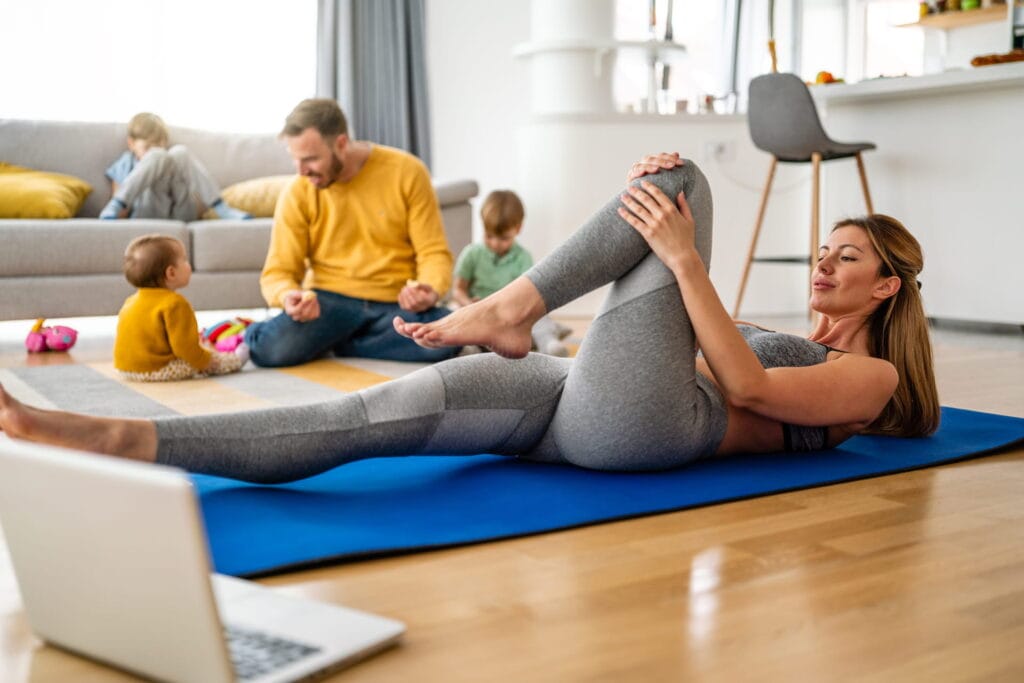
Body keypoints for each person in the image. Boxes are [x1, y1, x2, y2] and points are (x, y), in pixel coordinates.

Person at [0, 155, 940, 482]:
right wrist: (677, 273)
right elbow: (693, 338)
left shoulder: (876, 379)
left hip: (651, 428)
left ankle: (510, 307)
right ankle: (101, 433)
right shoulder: (794, 321)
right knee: (358, 420)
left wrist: (684, 256)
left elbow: (743, 384)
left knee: (678, 184)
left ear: (886, 289)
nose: (823, 261)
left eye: (845, 256)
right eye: (824, 249)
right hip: (575, 401)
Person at [242, 98, 459, 367]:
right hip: (328, 304)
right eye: (296, 159)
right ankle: (348, 339)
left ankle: (338, 342)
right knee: (269, 350)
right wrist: (288, 296)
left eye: (310, 159)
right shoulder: (298, 192)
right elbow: (278, 272)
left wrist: (429, 289)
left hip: (394, 303)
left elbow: (433, 252)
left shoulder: (408, 172)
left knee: (447, 341)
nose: (301, 170)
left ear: (341, 144)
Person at [113, 234, 248, 382]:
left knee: (201, 351)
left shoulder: (130, 301)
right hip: (157, 369)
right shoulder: (175, 304)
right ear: (171, 273)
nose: (188, 264)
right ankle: (236, 360)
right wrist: (207, 362)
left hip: (125, 368)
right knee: (207, 360)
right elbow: (184, 348)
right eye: (184, 260)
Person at [452, 190, 569, 357]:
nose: (495, 243)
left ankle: (549, 343)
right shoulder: (471, 254)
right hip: (478, 315)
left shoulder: (523, 258)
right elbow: (458, 290)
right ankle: (469, 348)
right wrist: (469, 304)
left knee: (539, 318)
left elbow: (528, 296)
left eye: (504, 238)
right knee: (454, 314)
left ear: (518, 228)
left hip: (511, 317)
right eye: (489, 236)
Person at [100, 112, 250, 221]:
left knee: (180, 152)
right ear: (131, 144)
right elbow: (121, 215)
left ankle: (221, 208)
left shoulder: (172, 159)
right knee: (157, 156)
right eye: (147, 147)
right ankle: (116, 203)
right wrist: (118, 206)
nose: (155, 149)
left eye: (159, 145)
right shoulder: (126, 163)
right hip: (147, 213)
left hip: (180, 214)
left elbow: (196, 203)